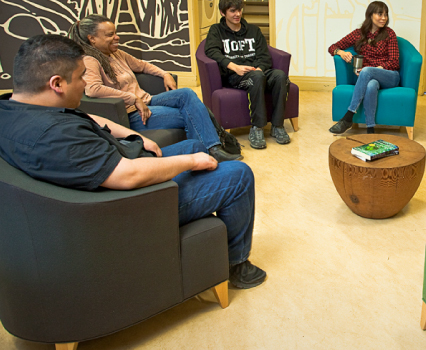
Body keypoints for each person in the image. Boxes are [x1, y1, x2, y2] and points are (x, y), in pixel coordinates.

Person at [0, 35, 265, 289]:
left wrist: (133, 134)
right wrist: (190, 162)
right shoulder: (54, 136)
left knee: (196, 145)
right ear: (56, 83)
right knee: (238, 175)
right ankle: (237, 265)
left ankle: (206, 232)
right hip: (132, 204)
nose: (85, 84)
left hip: (123, 165)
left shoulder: (16, 108)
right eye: (80, 76)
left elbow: (88, 119)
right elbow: (127, 176)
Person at [68, 15, 240, 163]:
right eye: (110, 34)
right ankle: (211, 150)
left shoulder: (115, 53)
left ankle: (212, 149)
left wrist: (165, 74)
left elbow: (142, 66)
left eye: (115, 32)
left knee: (187, 94)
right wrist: (132, 98)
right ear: (92, 39)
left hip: (148, 100)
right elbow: (93, 89)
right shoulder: (90, 60)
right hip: (133, 113)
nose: (117, 37)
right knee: (193, 113)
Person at [204, 0, 290, 150]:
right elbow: (211, 51)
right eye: (232, 11)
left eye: (239, 10)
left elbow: (264, 56)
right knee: (256, 77)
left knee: (280, 76)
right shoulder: (216, 30)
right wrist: (233, 66)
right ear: (223, 13)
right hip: (235, 76)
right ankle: (257, 127)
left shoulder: (253, 30)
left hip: (256, 72)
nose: (237, 14)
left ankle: (277, 126)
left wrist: (260, 68)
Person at [328, 1, 400, 134]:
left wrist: (376, 69)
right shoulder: (358, 34)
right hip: (368, 78)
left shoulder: (389, 34)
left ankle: (349, 115)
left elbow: (394, 62)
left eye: (386, 14)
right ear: (370, 15)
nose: (384, 18)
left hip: (390, 76)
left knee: (367, 71)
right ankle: (370, 129)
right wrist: (342, 52)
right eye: (380, 14)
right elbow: (332, 47)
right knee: (371, 85)